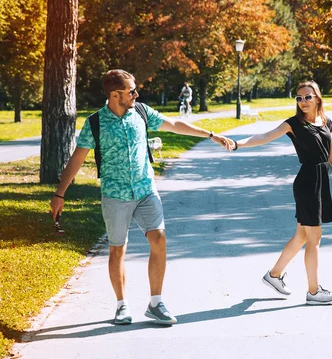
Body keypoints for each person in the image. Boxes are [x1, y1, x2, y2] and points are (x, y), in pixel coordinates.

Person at [50, 69, 233, 325]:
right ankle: (121, 305)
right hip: (115, 194)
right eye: (131, 91)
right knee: (117, 249)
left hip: (146, 190)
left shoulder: (141, 112)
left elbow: (175, 125)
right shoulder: (94, 123)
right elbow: (77, 159)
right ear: (115, 95)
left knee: (159, 239)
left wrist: (211, 135)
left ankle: (156, 302)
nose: (136, 94)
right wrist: (60, 193)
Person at [232, 81, 332, 305]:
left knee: (302, 236)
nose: (303, 102)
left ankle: (274, 275)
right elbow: (264, 137)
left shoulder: (326, 122)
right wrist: (238, 144)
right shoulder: (293, 124)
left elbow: (331, 154)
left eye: (307, 97)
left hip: (321, 182)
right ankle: (314, 292)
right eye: (299, 98)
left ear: (317, 97)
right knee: (314, 238)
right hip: (307, 182)